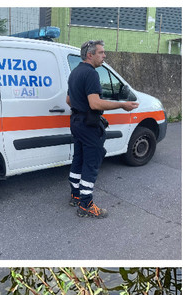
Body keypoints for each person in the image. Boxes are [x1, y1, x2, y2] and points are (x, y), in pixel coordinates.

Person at [66, 40, 139, 218]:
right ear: (90, 55)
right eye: (101, 52)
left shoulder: (74, 72)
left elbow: (69, 101)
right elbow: (95, 103)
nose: (104, 56)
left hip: (76, 122)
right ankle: (86, 206)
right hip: (89, 124)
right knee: (91, 163)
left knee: (78, 159)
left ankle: (75, 195)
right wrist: (122, 105)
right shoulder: (90, 74)